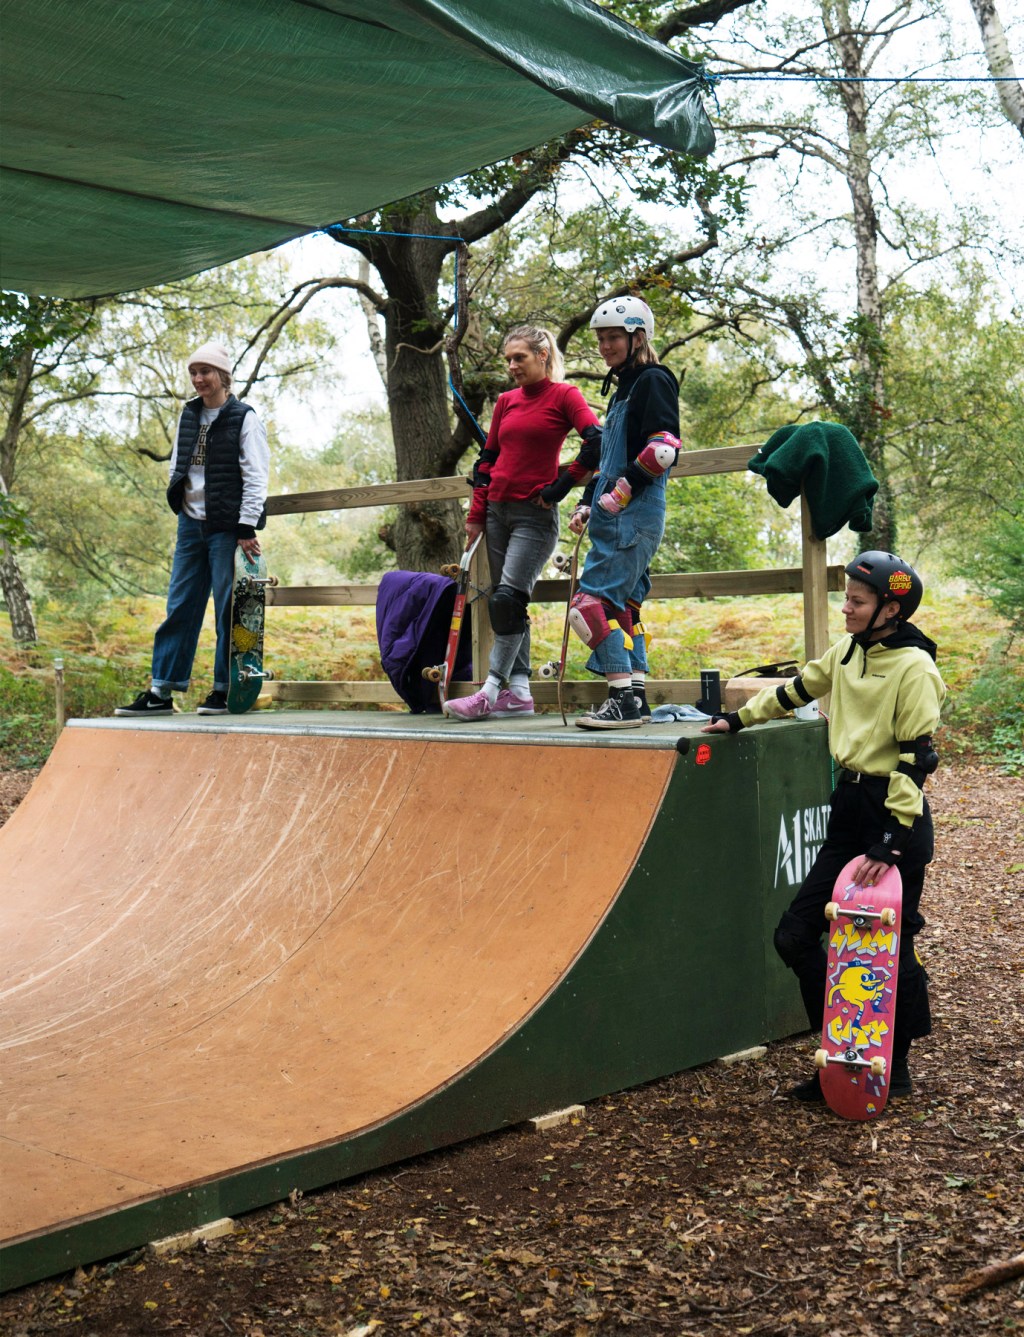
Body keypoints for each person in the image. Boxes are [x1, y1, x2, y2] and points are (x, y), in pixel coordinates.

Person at [702, 551, 946, 1100]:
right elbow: (797, 688)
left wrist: (892, 839)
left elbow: (916, 760)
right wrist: (736, 719)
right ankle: (841, 1055)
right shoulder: (847, 652)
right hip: (849, 806)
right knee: (795, 935)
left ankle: (891, 1068)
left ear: (890, 609)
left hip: (893, 816)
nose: (846, 608)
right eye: (847, 598)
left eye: (857, 602)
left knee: (891, 944)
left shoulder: (915, 669)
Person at [443, 325, 601, 721]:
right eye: (509, 359)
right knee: (508, 605)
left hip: (535, 516)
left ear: (543, 355)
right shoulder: (506, 401)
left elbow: (596, 440)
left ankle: (490, 691)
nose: (512, 366)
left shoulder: (565, 395)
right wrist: (476, 516)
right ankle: (520, 693)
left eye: (520, 358)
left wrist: (559, 487)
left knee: (507, 600)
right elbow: (487, 462)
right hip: (496, 512)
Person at [115, 342, 269, 717]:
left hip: (227, 529)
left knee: (228, 610)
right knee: (179, 606)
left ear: (223, 375)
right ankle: (161, 691)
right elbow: (179, 463)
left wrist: (246, 526)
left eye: (206, 371)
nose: (199, 379)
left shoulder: (244, 418)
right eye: (194, 372)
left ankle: (225, 688)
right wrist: (177, 499)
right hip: (190, 525)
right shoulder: (189, 416)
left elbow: (256, 476)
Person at [568, 296, 680, 730]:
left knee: (587, 605)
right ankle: (635, 694)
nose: (605, 346)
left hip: (632, 511)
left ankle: (620, 702)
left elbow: (663, 449)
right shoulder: (625, 386)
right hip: (623, 512)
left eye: (613, 337)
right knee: (624, 607)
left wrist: (622, 492)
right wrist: (587, 501)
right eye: (600, 338)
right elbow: (611, 458)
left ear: (638, 336)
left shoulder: (652, 380)